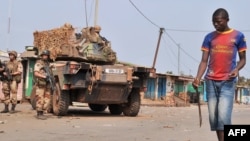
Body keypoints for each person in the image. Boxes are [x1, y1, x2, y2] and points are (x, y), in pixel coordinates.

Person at [192, 8, 247, 141]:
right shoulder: (209, 37)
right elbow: (204, 61)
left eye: (218, 21)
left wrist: (236, 69)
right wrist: (198, 77)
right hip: (210, 81)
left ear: (227, 20)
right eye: (213, 22)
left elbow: (243, 59)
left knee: (223, 116)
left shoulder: (238, 36)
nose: (216, 24)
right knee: (214, 117)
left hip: (228, 81)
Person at [33, 50, 53, 120]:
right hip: (41, 83)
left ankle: (43, 111)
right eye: (44, 55)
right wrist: (44, 76)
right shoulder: (39, 63)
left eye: (47, 55)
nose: (45, 56)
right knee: (40, 98)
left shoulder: (47, 64)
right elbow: (36, 73)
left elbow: (53, 67)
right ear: (42, 56)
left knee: (47, 99)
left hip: (47, 84)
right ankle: (39, 113)